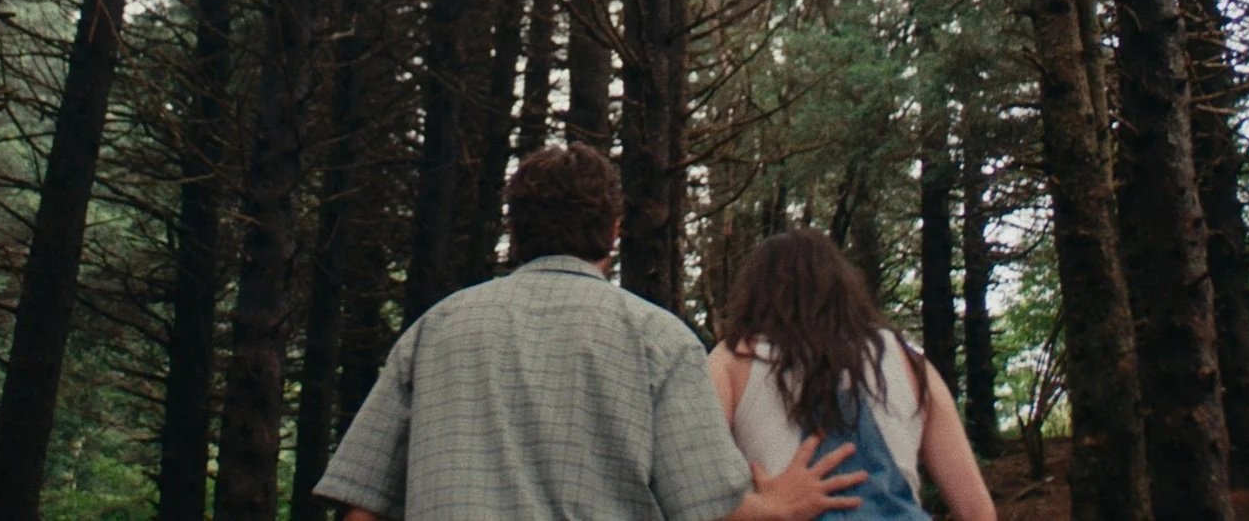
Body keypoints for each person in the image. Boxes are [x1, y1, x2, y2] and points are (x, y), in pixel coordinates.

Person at [314, 144, 866, 521]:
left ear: (515, 230)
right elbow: (707, 509)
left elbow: (364, 508)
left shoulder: (433, 332)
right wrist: (785, 504)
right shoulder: (657, 339)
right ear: (614, 232)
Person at [708, 229, 997, 521]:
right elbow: (977, 511)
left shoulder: (732, 360)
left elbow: (688, 502)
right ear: (842, 287)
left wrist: (765, 508)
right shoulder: (909, 361)